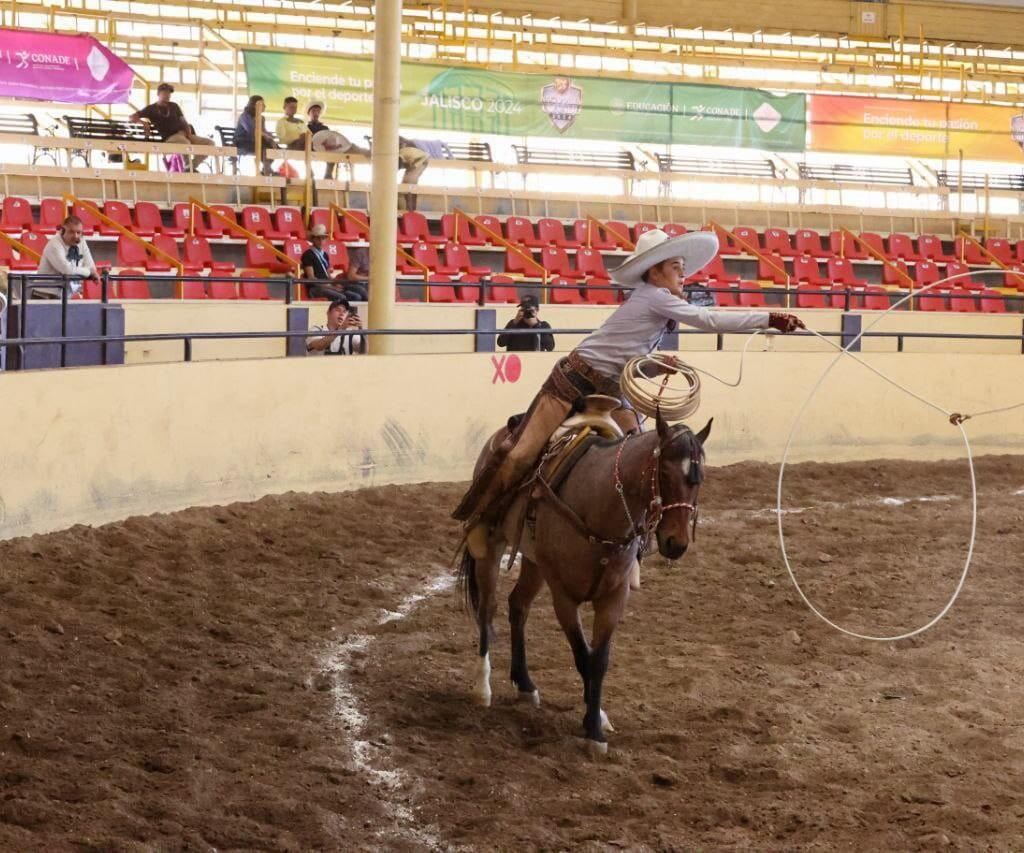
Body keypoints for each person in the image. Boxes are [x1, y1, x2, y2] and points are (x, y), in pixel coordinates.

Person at [452, 228, 806, 537]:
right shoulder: (656, 298)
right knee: (522, 453)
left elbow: (627, 357)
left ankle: (630, 533)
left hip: (613, 389)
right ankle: (481, 520)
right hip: (572, 381)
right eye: (676, 269)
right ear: (655, 272)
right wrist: (770, 317)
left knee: (638, 454)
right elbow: (708, 318)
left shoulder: (655, 300)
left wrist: (653, 366)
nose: (683, 276)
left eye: (682, 269)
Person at [131, 83, 214, 171]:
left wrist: (189, 134)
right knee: (185, 143)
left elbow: (183, 121)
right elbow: (132, 117)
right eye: (165, 93)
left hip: (183, 134)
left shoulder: (174, 106)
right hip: (170, 138)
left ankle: (191, 166)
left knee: (210, 143)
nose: (167, 95)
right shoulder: (151, 108)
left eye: (169, 93)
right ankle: (187, 165)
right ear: (158, 94)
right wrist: (143, 123)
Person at [36, 215, 100, 297]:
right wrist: (88, 272)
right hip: (44, 295)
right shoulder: (54, 244)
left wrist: (89, 271)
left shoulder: (81, 242)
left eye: (78, 232)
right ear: (62, 231)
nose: (76, 236)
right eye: (71, 232)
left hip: (65, 296)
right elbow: (67, 270)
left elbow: (91, 266)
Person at [301, 224, 368, 302]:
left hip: (328, 285)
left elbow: (328, 275)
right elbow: (311, 278)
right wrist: (329, 286)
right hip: (316, 288)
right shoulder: (308, 254)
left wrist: (335, 283)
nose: (321, 241)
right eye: (318, 238)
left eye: (323, 238)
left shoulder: (325, 255)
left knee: (356, 296)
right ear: (313, 239)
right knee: (341, 297)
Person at [235, 95, 278, 176]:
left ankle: (266, 168)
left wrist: (270, 138)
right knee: (264, 146)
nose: (265, 106)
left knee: (273, 146)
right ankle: (267, 170)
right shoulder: (245, 116)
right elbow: (252, 130)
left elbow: (263, 131)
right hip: (243, 141)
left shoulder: (262, 118)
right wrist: (266, 136)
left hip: (256, 141)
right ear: (255, 105)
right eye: (262, 104)